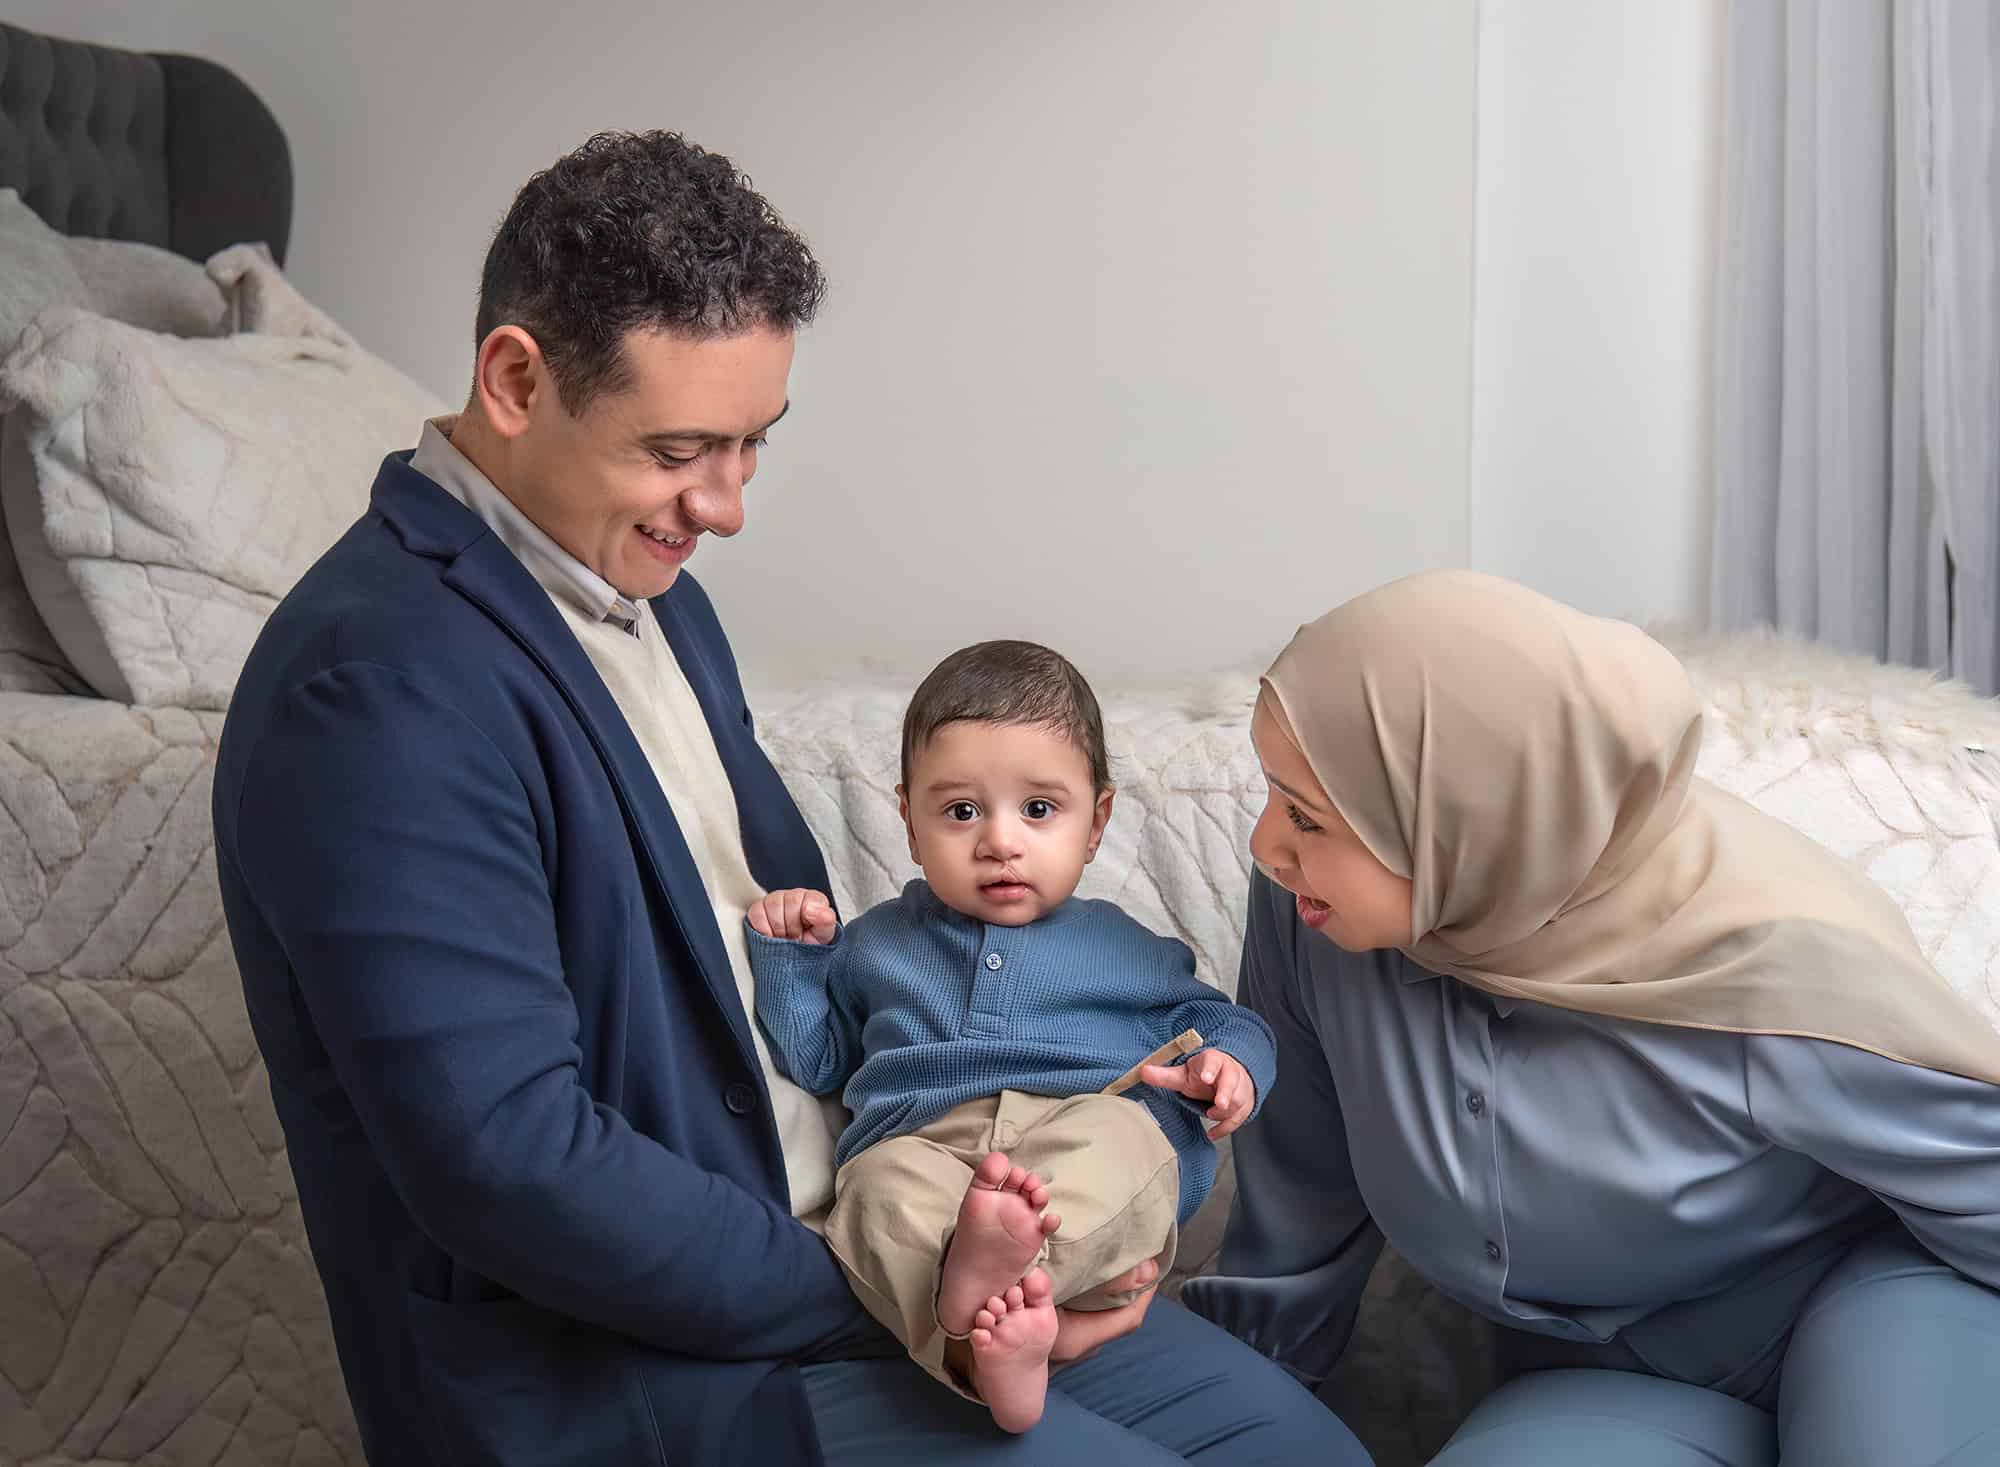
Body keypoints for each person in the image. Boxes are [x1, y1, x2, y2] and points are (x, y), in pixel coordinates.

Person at [213, 130, 1352, 1466]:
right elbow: (512, 1161)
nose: (730, 506)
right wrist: (898, 1284)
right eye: (686, 448)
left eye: (755, 443)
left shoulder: (662, 598)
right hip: (655, 1367)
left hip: (885, 1253)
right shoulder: (375, 687)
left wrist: (1058, 1227)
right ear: (516, 380)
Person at [1182, 570, 2000, 1467]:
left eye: (1306, 816)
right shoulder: (1315, 922)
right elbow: (1297, 1207)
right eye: (1272, 793)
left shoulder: (1772, 963)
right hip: (1614, 1380)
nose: (1266, 843)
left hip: (1870, 1313)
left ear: (1459, 819)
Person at [747, 639, 1284, 1434]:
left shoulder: (1127, 945)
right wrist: (793, 958)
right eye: (961, 810)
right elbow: (817, 1059)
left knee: (1128, 1136)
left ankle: (989, 1302)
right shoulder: (874, 943)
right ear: (908, 819)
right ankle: (1007, 1337)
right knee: (871, 1190)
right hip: (926, 1152)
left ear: (1097, 819)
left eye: (1039, 809)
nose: (1000, 841)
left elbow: (1229, 1022)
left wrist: (1230, 1063)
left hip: (1076, 1132)